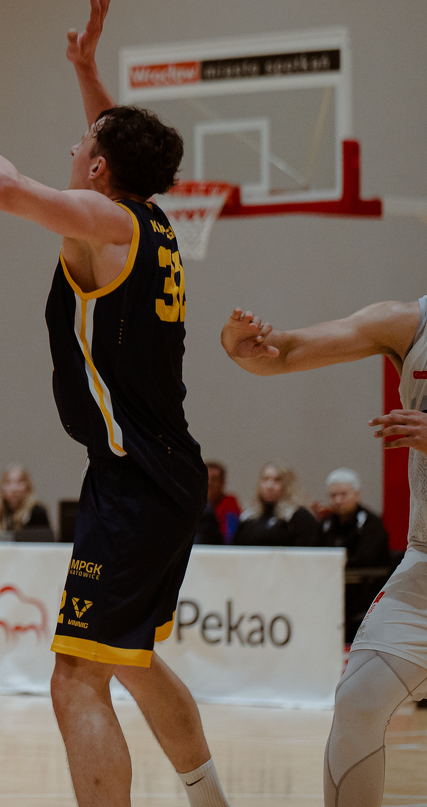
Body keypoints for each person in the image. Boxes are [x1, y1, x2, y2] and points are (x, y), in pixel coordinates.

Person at [0, 0, 230, 807]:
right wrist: (87, 70)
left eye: (81, 143)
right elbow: (111, 145)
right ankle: (210, 801)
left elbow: (5, 189)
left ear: (96, 171)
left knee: (74, 676)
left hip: (134, 480)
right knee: (132, 659)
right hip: (161, 470)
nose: (72, 144)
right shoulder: (149, 223)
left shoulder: (109, 226)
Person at [220, 297, 427, 807]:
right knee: (358, 700)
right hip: (424, 562)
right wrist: (247, 349)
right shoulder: (408, 322)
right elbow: (286, 351)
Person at [317, 467, 393, 644]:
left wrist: (333, 562)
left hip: (365, 597)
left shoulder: (372, 524)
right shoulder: (325, 524)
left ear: (357, 495)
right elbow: (316, 556)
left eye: (343, 494)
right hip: (330, 593)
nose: (338, 500)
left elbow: (365, 560)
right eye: (333, 495)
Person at [230, 463, 320, 547]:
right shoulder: (248, 518)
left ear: (287, 485)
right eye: (265, 479)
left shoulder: (298, 516)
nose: (269, 486)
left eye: (277, 480)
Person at [0, 464, 51, 533]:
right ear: (2, 488)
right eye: (8, 482)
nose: (14, 488)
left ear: (28, 486)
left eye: (19, 482)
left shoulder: (37, 513)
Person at [193, 460, 241, 546]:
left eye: (214, 479)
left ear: (222, 483)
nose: (209, 483)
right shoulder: (191, 504)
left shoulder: (230, 505)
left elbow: (230, 538)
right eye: (206, 478)